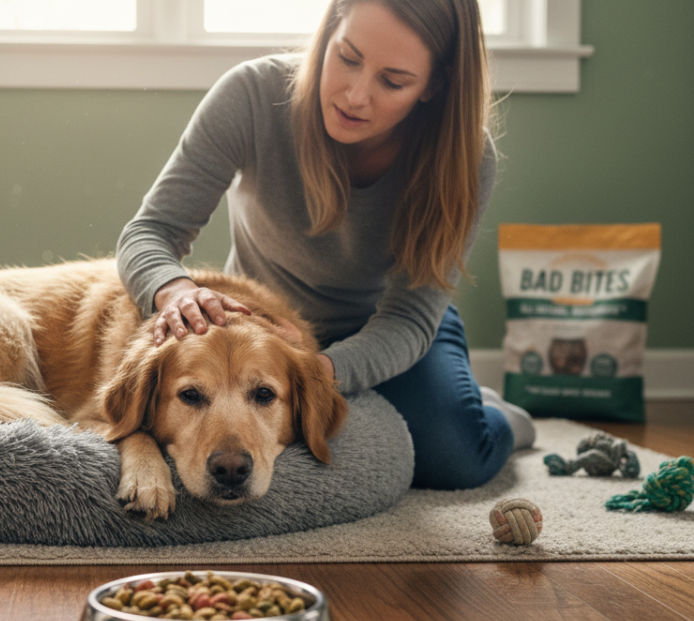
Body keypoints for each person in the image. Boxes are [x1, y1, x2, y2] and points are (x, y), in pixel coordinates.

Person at [115, 0, 535, 490]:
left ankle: (498, 413)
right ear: (330, 30)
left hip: (388, 327)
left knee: (458, 458)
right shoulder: (252, 93)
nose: (356, 95)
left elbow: (410, 318)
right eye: (348, 57)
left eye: (393, 81)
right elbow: (151, 230)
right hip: (262, 334)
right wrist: (176, 291)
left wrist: (318, 372)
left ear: (434, 86)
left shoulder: (464, 156)